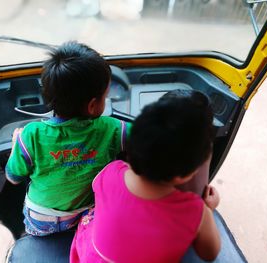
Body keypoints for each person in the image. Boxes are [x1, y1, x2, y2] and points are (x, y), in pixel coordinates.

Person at [70, 90, 221, 262]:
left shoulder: (111, 172)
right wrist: (208, 209)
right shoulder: (195, 211)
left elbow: (97, 189)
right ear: (186, 175)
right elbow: (210, 253)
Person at [5, 41, 131, 236]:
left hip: (42, 219)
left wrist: (16, 145)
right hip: (88, 214)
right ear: (92, 106)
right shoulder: (111, 128)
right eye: (104, 97)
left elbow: (13, 178)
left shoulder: (31, 135)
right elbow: (146, 135)